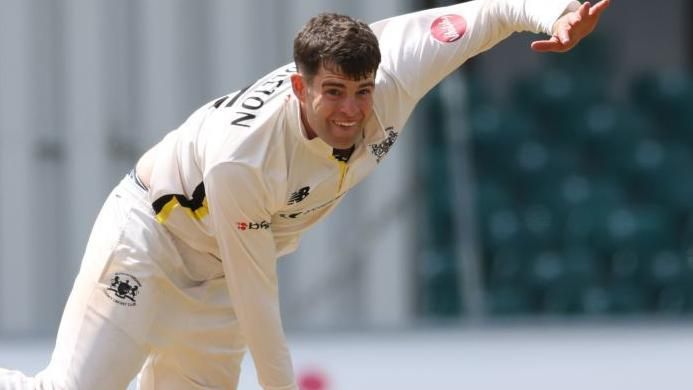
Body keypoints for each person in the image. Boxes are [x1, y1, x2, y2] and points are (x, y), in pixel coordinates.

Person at [0, 0, 610, 388]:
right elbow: (258, 301)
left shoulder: (399, 66)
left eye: (363, 91)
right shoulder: (245, 158)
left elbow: (492, 13)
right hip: (149, 242)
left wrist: (554, 12)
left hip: (218, 275)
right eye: (335, 92)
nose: (351, 111)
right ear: (299, 85)